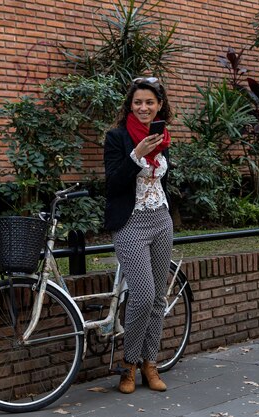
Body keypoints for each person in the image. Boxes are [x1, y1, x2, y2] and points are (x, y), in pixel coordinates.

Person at [103, 77, 174, 394]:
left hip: (161, 219)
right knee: (142, 297)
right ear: (129, 106)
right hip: (130, 223)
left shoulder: (164, 137)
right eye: (137, 103)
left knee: (159, 298)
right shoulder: (117, 137)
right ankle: (128, 365)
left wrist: (151, 147)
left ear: (159, 106)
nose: (143, 107)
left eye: (149, 102)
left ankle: (150, 363)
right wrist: (136, 156)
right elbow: (112, 184)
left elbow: (162, 179)